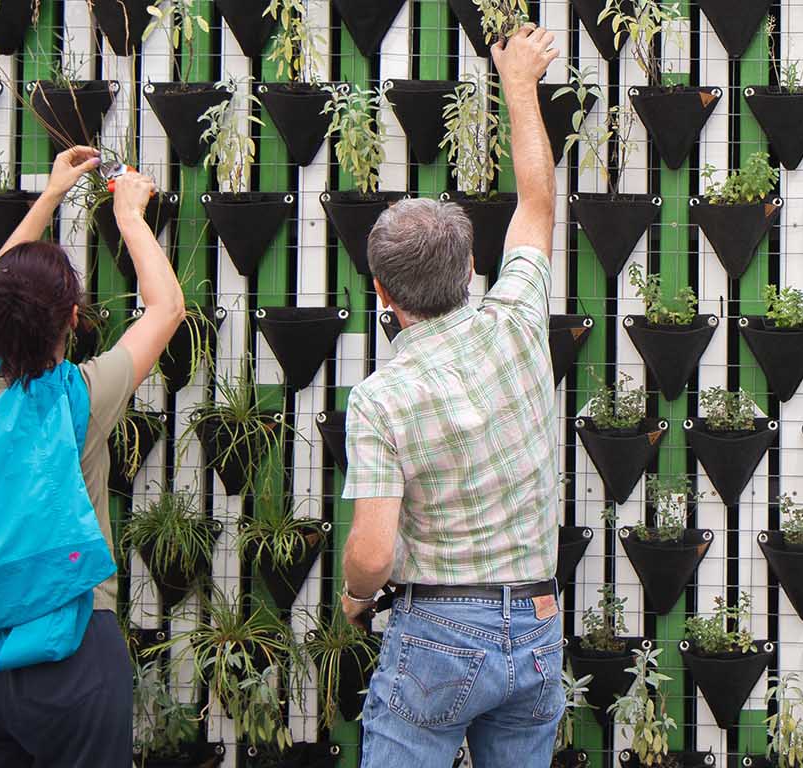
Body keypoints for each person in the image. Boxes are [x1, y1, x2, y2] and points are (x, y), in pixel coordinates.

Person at [337, 25, 565, 768]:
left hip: (436, 633)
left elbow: (372, 554)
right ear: (471, 266)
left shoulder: (380, 398)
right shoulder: (519, 319)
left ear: (382, 291)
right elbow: (537, 199)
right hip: (536, 624)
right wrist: (519, 85)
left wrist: (353, 598)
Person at [0, 146, 185, 766]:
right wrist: (130, 217)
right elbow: (166, 308)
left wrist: (51, 194)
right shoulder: (79, 400)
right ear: (72, 317)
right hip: (70, 647)